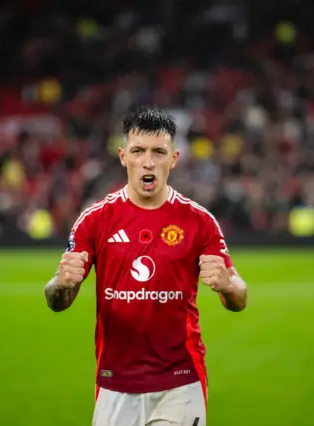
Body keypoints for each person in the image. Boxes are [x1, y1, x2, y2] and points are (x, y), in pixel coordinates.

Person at [44, 107, 248, 426]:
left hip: (181, 381)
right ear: (124, 156)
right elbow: (57, 300)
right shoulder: (94, 220)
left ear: (174, 158)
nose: (148, 161)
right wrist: (60, 284)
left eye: (158, 152)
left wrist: (227, 284)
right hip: (115, 383)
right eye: (139, 151)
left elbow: (240, 296)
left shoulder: (200, 222)